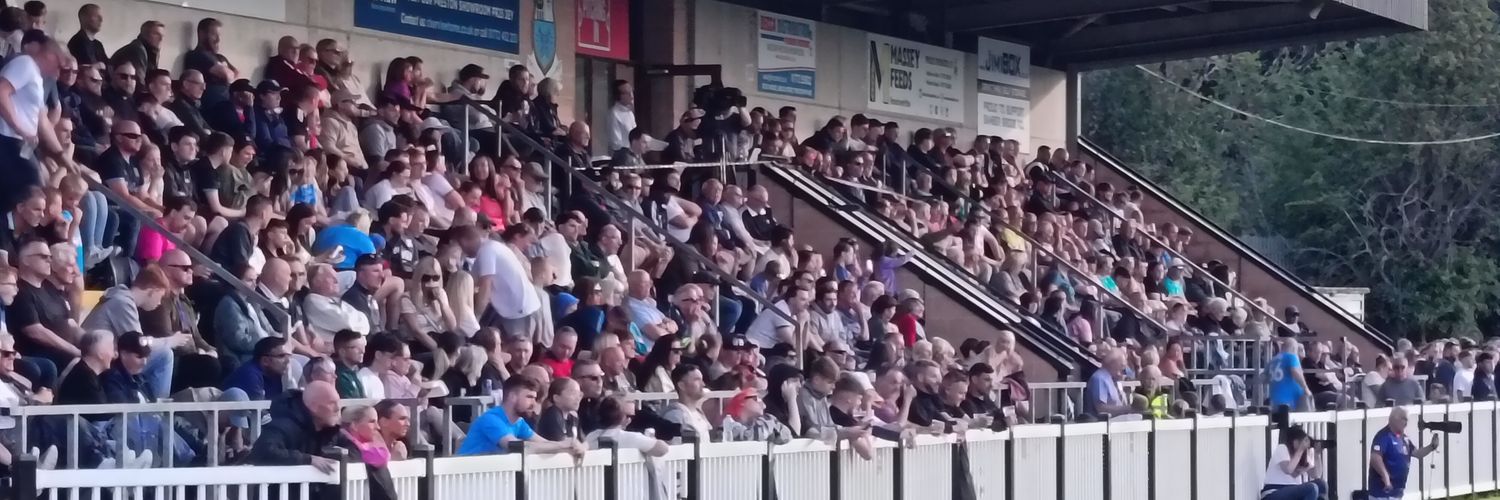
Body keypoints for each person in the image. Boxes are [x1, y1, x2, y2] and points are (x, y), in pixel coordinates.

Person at [457, 375, 586, 456]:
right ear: (512, 396)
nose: (534, 404)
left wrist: (570, 446)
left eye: (535, 398)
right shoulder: (491, 419)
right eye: (529, 397)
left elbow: (545, 443)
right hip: (462, 479)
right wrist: (562, 445)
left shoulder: (519, 422)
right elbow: (517, 446)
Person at [247, 381, 340, 473]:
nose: (337, 408)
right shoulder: (284, 425)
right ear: (313, 407)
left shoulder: (328, 429)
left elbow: (351, 451)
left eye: (338, 403)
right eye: (332, 403)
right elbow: (262, 452)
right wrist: (308, 459)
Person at [1367, 406, 1441, 500]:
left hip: (1397, 493)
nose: (1406, 423)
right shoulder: (1384, 436)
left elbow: (1417, 454)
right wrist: (1385, 476)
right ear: (1395, 419)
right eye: (1404, 419)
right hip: (1382, 494)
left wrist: (1431, 446)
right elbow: (1375, 458)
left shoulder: (1403, 438)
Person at [1261, 425, 1326, 500]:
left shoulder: (1302, 454)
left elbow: (1316, 475)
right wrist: (1300, 450)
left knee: (1321, 484)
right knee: (1312, 488)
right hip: (1273, 492)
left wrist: (1316, 455)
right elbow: (1289, 470)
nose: (1303, 444)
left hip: (1292, 492)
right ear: (1294, 441)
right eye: (1301, 441)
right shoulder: (1282, 448)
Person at [1268, 337, 1311, 412]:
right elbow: (1295, 372)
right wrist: (1305, 387)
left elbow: (1263, 377)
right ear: (1294, 348)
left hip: (1275, 402)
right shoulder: (1291, 357)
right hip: (1291, 401)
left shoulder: (1272, 360)